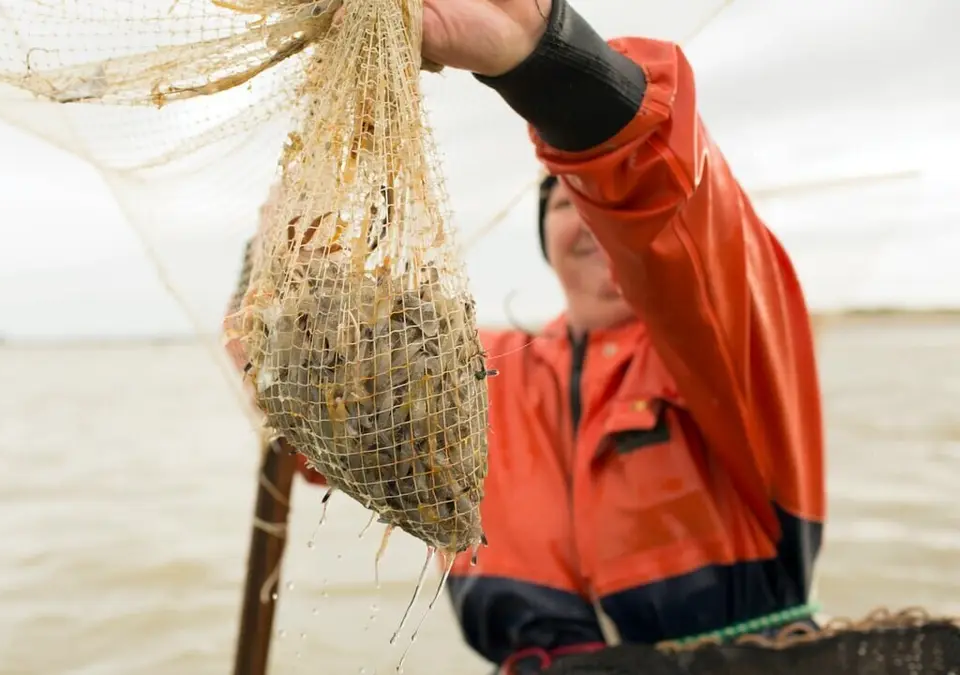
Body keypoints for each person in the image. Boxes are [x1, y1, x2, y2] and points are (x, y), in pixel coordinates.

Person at [232, 0, 826, 672]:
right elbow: (319, 414)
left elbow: (671, 208)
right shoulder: (481, 375)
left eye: (597, 197)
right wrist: (275, 267)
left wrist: (547, 59)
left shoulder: (736, 348)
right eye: (566, 202)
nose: (594, 222)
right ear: (545, 235)